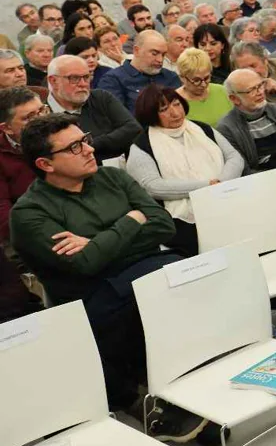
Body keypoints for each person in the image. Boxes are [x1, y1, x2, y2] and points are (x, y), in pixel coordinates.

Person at [13, 114, 206, 428]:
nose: (89, 149)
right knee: (163, 283)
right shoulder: (29, 213)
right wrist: (131, 220)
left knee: (183, 275)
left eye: (85, 139)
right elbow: (84, 264)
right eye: (74, 147)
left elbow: (163, 225)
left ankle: (186, 377)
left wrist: (96, 243)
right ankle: (139, 399)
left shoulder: (112, 178)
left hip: (142, 275)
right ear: (46, 164)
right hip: (91, 299)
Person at [127, 84, 243, 258]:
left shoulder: (202, 129)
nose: (175, 113)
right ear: (151, 114)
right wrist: (205, 186)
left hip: (225, 196)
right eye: (164, 109)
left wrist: (220, 184)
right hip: (180, 219)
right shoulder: (141, 146)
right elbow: (153, 187)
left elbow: (234, 157)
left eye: (176, 104)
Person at [46, 55, 140, 161]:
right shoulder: (42, 113)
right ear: (53, 81)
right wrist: (113, 139)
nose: (83, 84)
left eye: (86, 77)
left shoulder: (101, 98)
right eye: (74, 78)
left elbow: (134, 129)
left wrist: (88, 144)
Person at [219, 68, 276, 178]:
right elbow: (243, 170)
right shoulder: (227, 128)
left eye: (260, 86)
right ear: (234, 98)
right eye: (251, 90)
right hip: (261, 181)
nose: (260, 92)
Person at [0, 87, 43, 256]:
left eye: (42, 110)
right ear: (7, 128)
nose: (41, 119)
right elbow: (3, 214)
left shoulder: (63, 131)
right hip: (27, 231)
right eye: (29, 118)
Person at [96, 30, 182, 112]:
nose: (160, 60)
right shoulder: (113, 80)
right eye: (154, 53)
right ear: (136, 51)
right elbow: (118, 120)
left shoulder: (170, 77)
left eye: (163, 55)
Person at [173, 46, 233, 127]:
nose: (203, 84)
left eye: (207, 78)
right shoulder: (175, 102)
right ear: (182, 77)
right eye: (196, 80)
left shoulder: (222, 91)